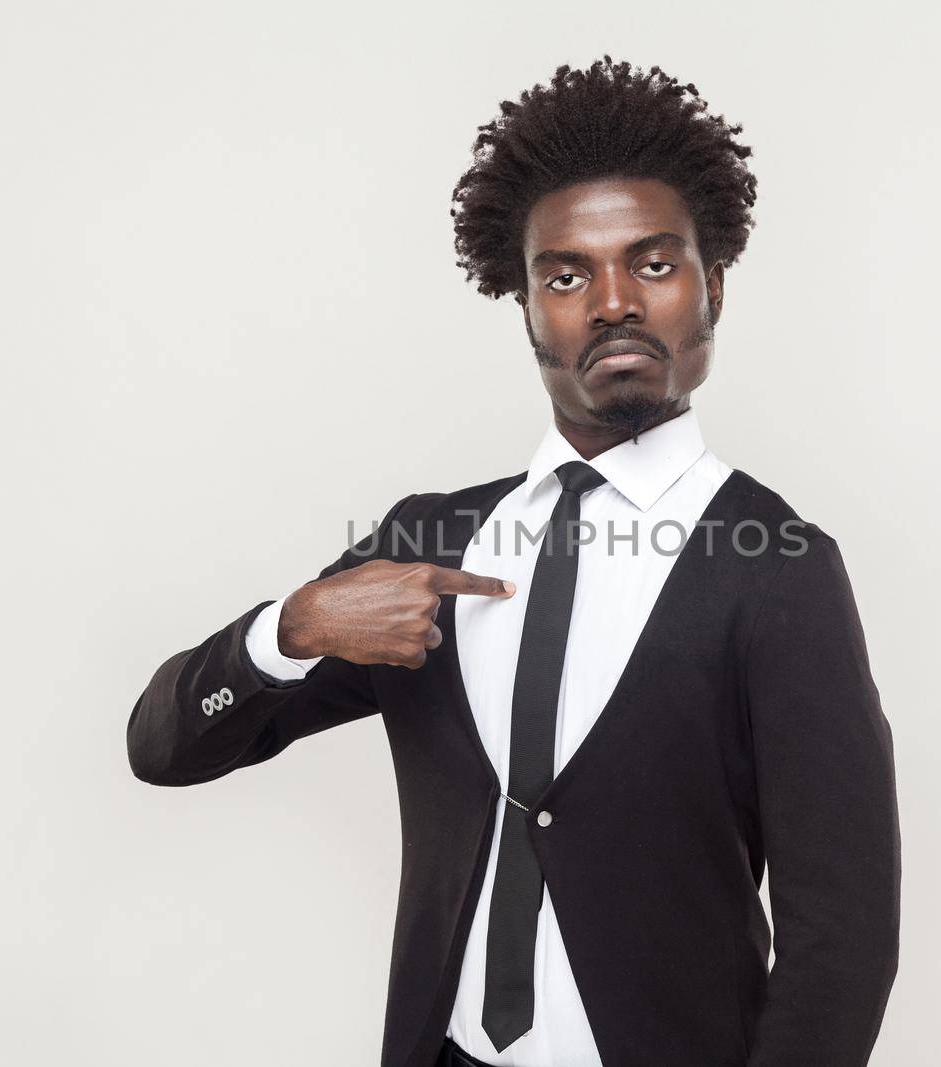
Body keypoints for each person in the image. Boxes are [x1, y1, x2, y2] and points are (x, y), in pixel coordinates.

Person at [126, 56, 900, 1067]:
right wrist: (294, 625)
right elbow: (163, 747)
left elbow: (841, 939)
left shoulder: (776, 563)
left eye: (653, 263)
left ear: (713, 286)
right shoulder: (429, 540)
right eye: (567, 274)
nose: (613, 301)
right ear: (527, 305)